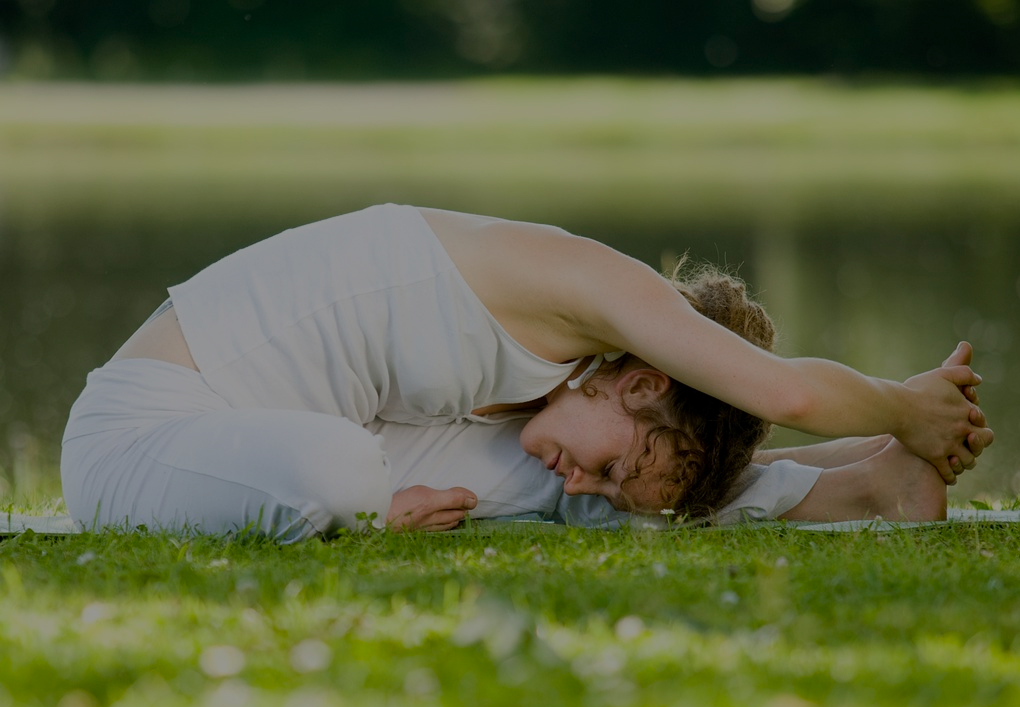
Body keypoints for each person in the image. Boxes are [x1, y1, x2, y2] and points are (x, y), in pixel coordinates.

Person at [60, 204, 991, 538]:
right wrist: (909, 405)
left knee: (572, 494)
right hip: (149, 435)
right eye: (614, 459)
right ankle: (890, 445)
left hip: (275, 434)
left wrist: (888, 443)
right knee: (343, 474)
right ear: (643, 381)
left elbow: (663, 457)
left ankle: (868, 484)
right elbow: (784, 392)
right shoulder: (594, 288)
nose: (585, 475)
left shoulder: (572, 387)